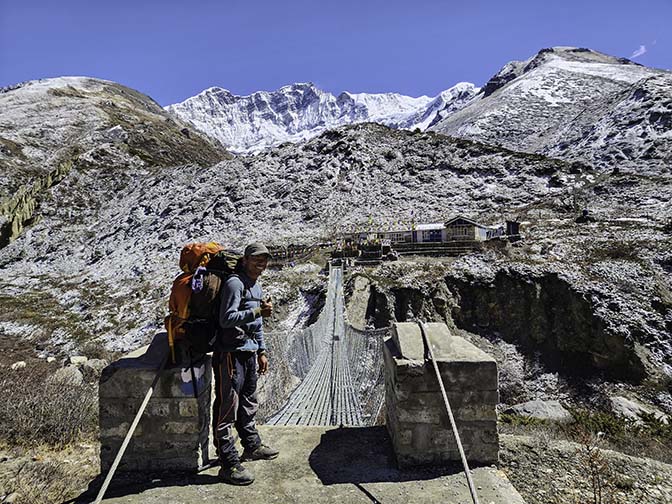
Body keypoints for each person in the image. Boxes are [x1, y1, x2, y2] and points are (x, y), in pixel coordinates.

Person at [213, 242, 279, 485]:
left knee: (249, 400)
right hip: (230, 353)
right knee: (227, 406)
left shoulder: (256, 286)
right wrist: (257, 313)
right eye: (256, 259)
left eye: (264, 260)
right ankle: (228, 462)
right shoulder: (235, 283)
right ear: (245, 260)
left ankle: (251, 445)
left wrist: (261, 350)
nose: (261, 264)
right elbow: (226, 319)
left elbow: (257, 324)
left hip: (249, 353)